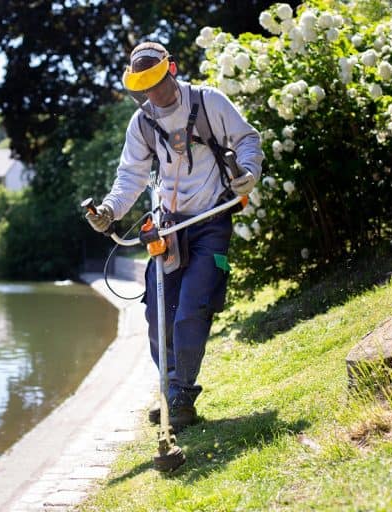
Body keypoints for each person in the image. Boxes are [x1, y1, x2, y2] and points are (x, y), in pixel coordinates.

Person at [85, 42, 264, 431]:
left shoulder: (207, 103)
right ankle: (170, 388)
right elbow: (130, 177)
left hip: (212, 220)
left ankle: (182, 393)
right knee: (156, 314)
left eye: (157, 81)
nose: (154, 92)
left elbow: (248, 140)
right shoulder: (142, 123)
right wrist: (110, 211)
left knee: (192, 308)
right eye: (144, 86)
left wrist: (249, 170)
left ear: (173, 69)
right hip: (168, 228)